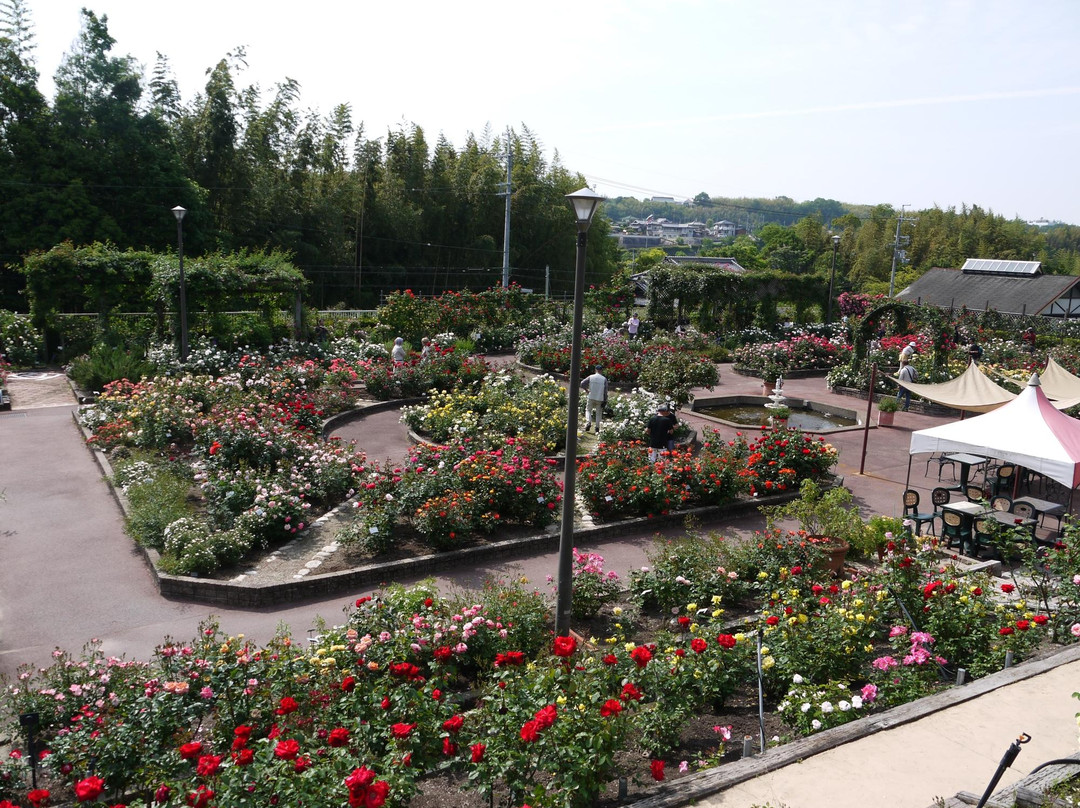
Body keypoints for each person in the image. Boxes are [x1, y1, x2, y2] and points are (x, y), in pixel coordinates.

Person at [580, 366, 608, 433]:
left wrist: (586, 390)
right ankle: (597, 427)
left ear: (595, 370)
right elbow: (605, 391)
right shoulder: (604, 379)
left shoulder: (591, 377)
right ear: (601, 370)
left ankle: (588, 422)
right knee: (598, 413)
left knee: (588, 410)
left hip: (591, 396)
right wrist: (605, 399)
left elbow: (582, 383)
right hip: (600, 397)